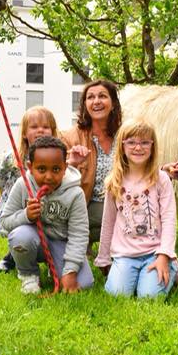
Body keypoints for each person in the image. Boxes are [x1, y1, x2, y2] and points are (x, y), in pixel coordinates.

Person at [0, 136, 93, 295]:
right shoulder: (23, 185)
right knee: (20, 236)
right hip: (33, 239)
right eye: (41, 169)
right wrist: (26, 216)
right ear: (30, 166)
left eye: (56, 169)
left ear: (65, 168)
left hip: (61, 243)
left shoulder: (75, 194)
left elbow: (79, 234)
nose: (48, 176)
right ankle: (29, 274)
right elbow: (5, 222)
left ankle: (56, 267)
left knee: (84, 284)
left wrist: (70, 270)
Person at [95, 120, 178, 298]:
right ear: (122, 146)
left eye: (144, 142)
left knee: (148, 297)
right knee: (117, 294)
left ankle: (172, 266)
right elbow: (108, 221)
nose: (138, 147)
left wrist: (164, 255)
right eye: (131, 142)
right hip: (125, 254)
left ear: (152, 146)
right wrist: (103, 257)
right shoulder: (114, 181)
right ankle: (131, 275)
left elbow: (169, 219)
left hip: (154, 252)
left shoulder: (161, 179)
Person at [0, 106, 58, 273]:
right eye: (34, 127)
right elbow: (3, 177)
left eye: (45, 127)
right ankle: (12, 258)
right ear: (24, 133)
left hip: (47, 205)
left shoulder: (58, 156)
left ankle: (54, 260)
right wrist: (2, 195)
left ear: (53, 131)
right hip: (19, 203)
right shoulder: (12, 157)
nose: (40, 130)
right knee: (22, 230)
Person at [62, 79, 122, 249]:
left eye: (102, 96)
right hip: (84, 205)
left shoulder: (125, 135)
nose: (96, 101)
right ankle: (80, 241)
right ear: (85, 105)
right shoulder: (69, 137)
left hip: (121, 200)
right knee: (123, 216)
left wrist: (163, 170)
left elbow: (140, 166)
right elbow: (57, 177)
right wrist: (72, 163)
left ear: (113, 103)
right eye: (90, 97)